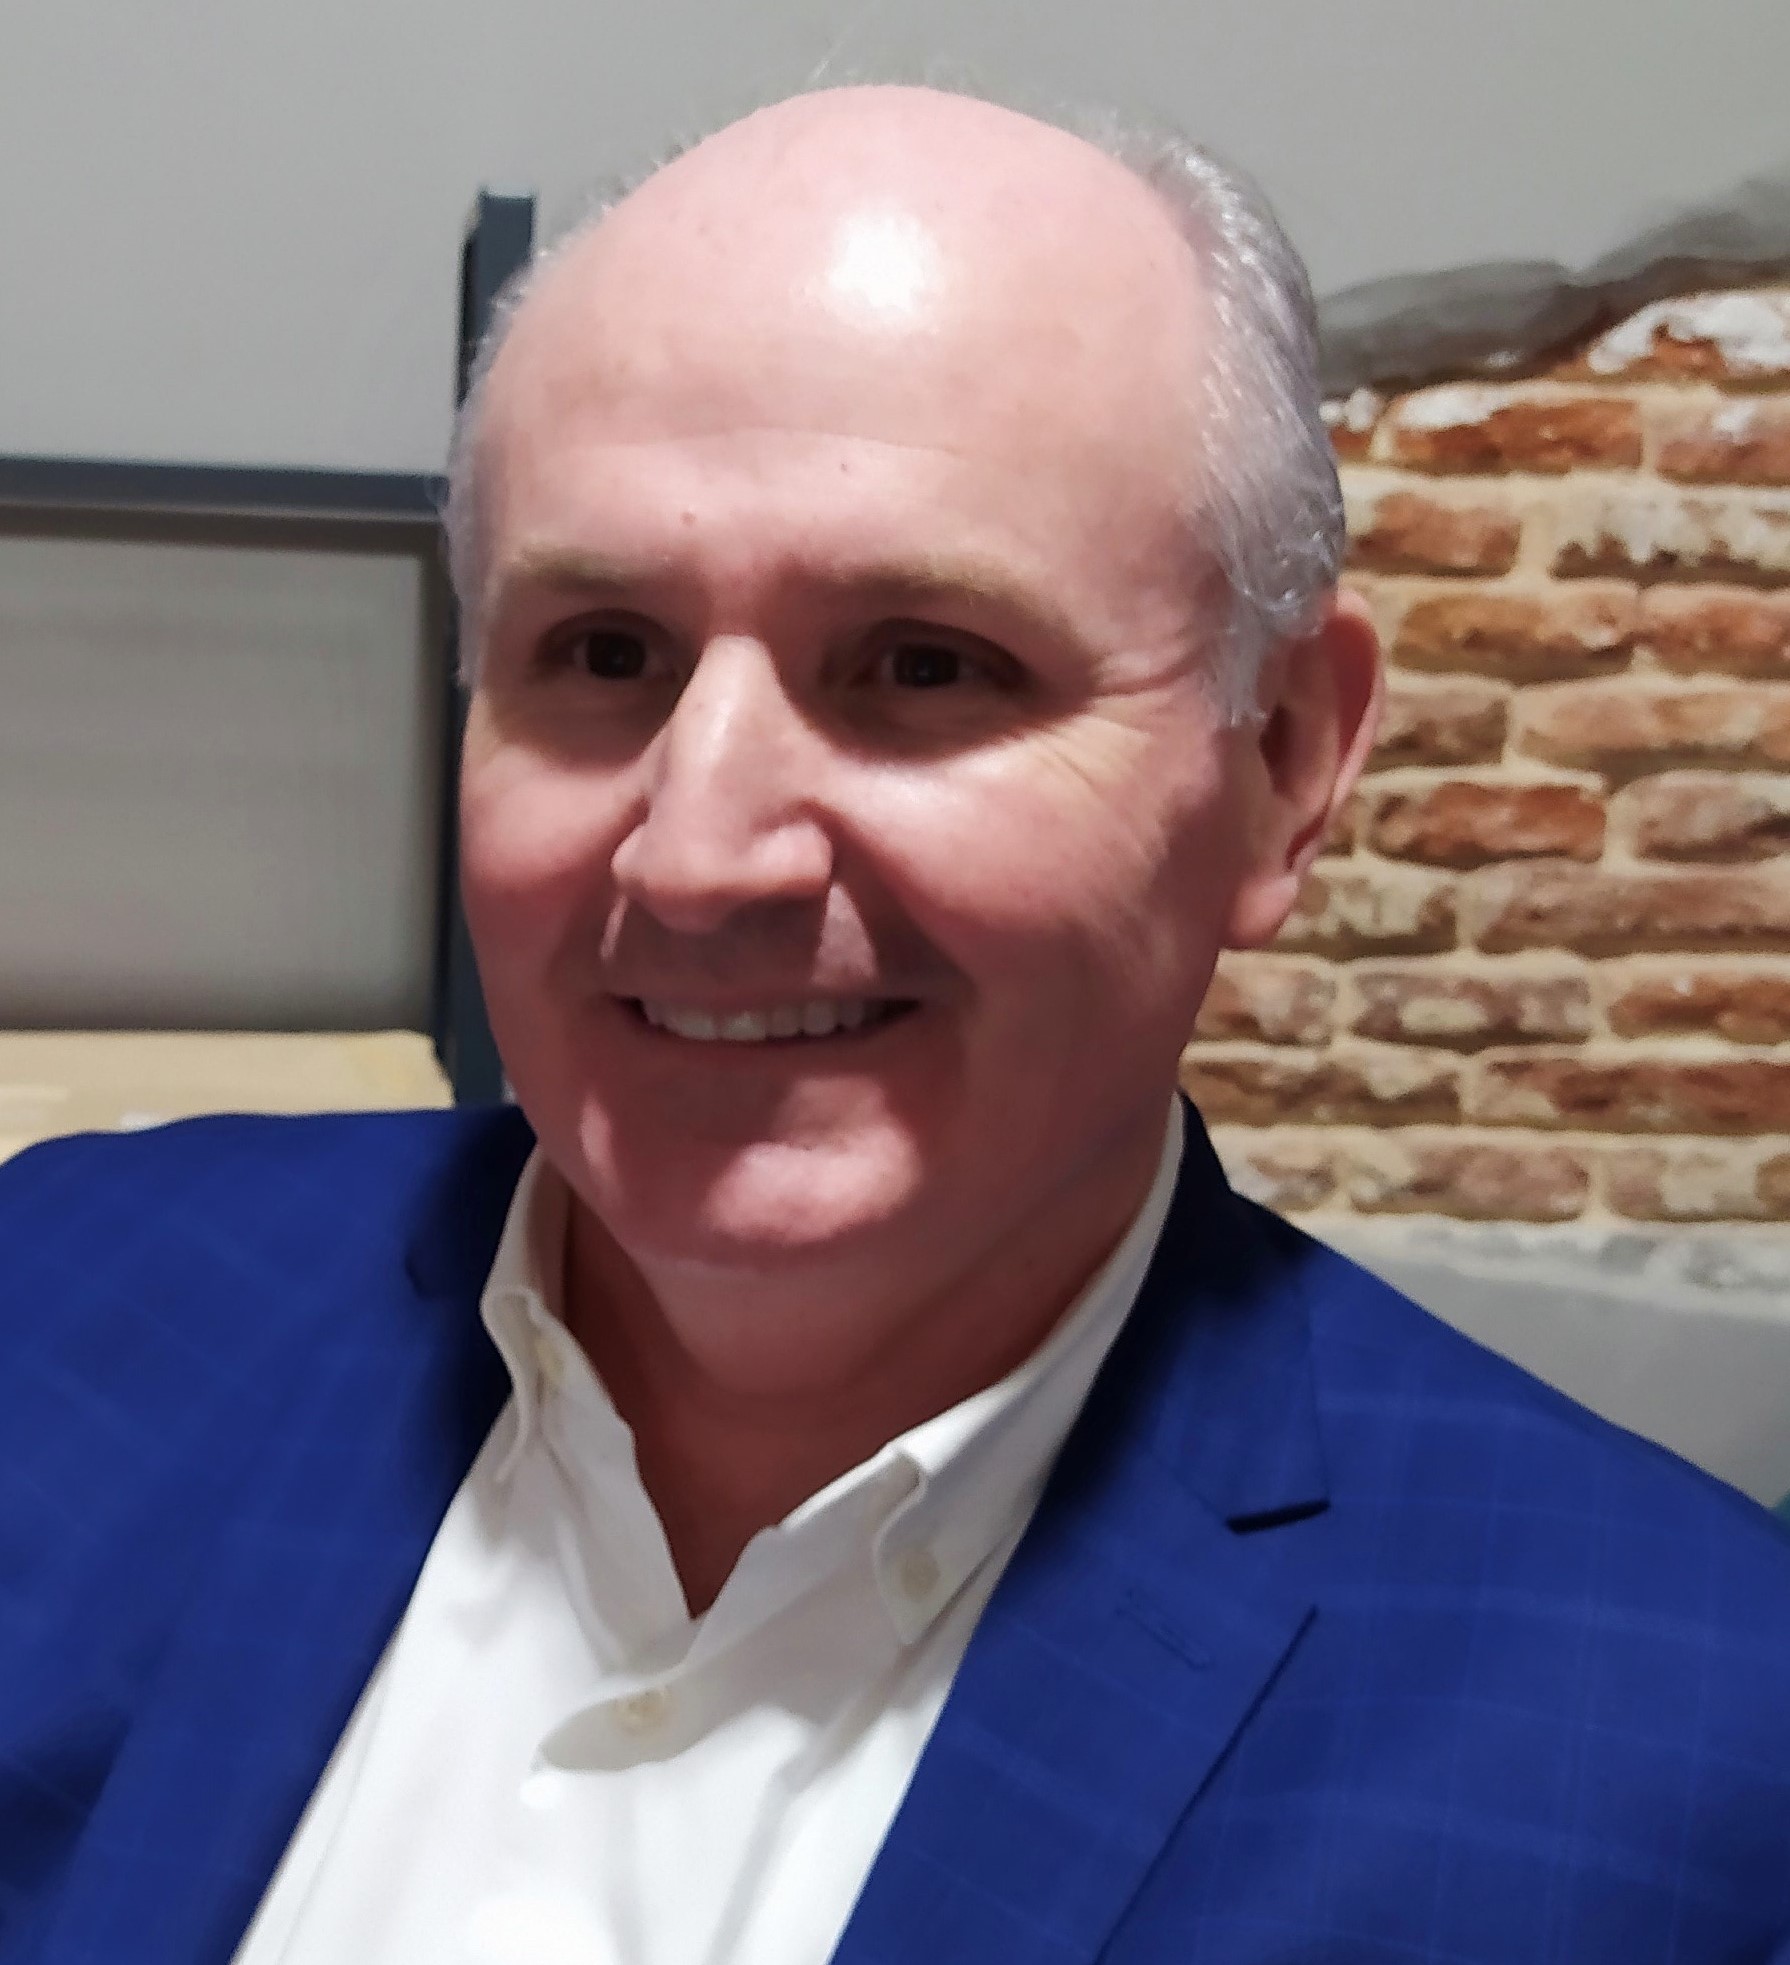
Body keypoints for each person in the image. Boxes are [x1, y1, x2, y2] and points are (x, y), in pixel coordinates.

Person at [3, 84, 1789, 1965]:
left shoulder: (1685, 1768)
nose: (697, 857)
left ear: (1277, 762)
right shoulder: (62, 1306)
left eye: (925, 663)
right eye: (603, 652)